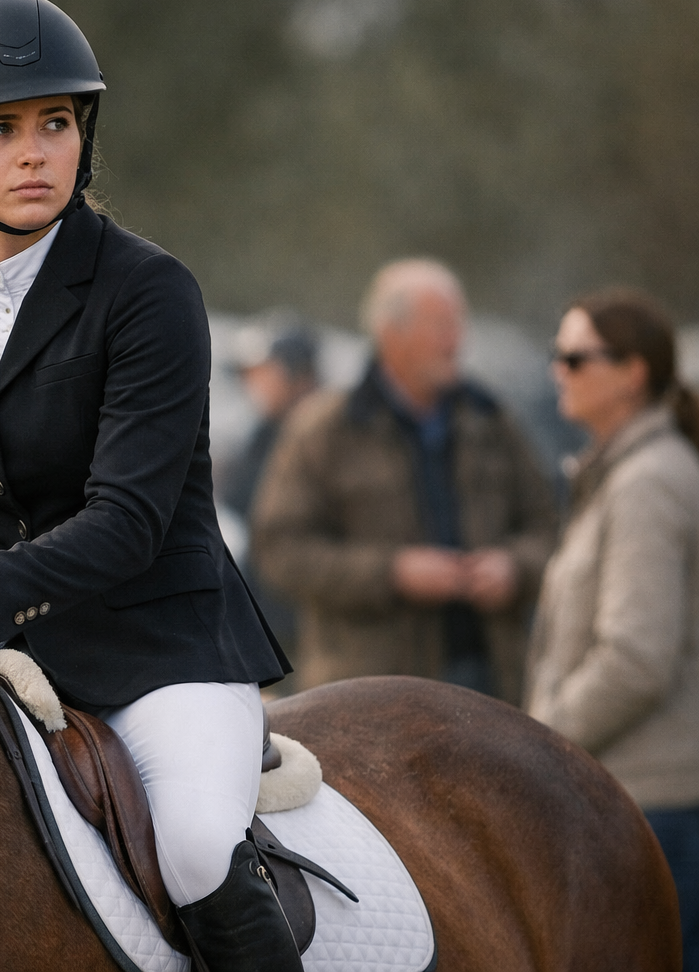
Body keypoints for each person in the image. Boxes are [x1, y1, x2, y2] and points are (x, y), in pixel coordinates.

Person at [0, 0, 295, 969]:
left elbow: (127, 521)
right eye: (1, 128)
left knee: (190, 845)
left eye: (55, 123)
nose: (34, 151)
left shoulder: (151, 291)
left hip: (163, 651)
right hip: (0, 654)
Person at [251, 258, 556, 702]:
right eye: (440, 326)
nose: (455, 341)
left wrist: (515, 566)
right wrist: (392, 573)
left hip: (489, 687)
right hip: (366, 698)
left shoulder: (492, 420)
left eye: (458, 324)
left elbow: (549, 527)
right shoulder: (323, 430)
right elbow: (279, 550)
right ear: (390, 335)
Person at [524, 288, 699, 969]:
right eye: (554, 356)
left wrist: (539, 747)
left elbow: (633, 658)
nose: (557, 371)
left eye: (574, 357)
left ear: (632, 373)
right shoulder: (628, 473)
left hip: (654, 801)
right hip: (635, 795)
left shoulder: (648, 482)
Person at [219, 323, 320, 662]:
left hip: (307, 623)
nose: (254, 385)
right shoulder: (264, 432)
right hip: (266, 614)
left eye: (265, 373)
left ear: (297, 374)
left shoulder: (324, 435)